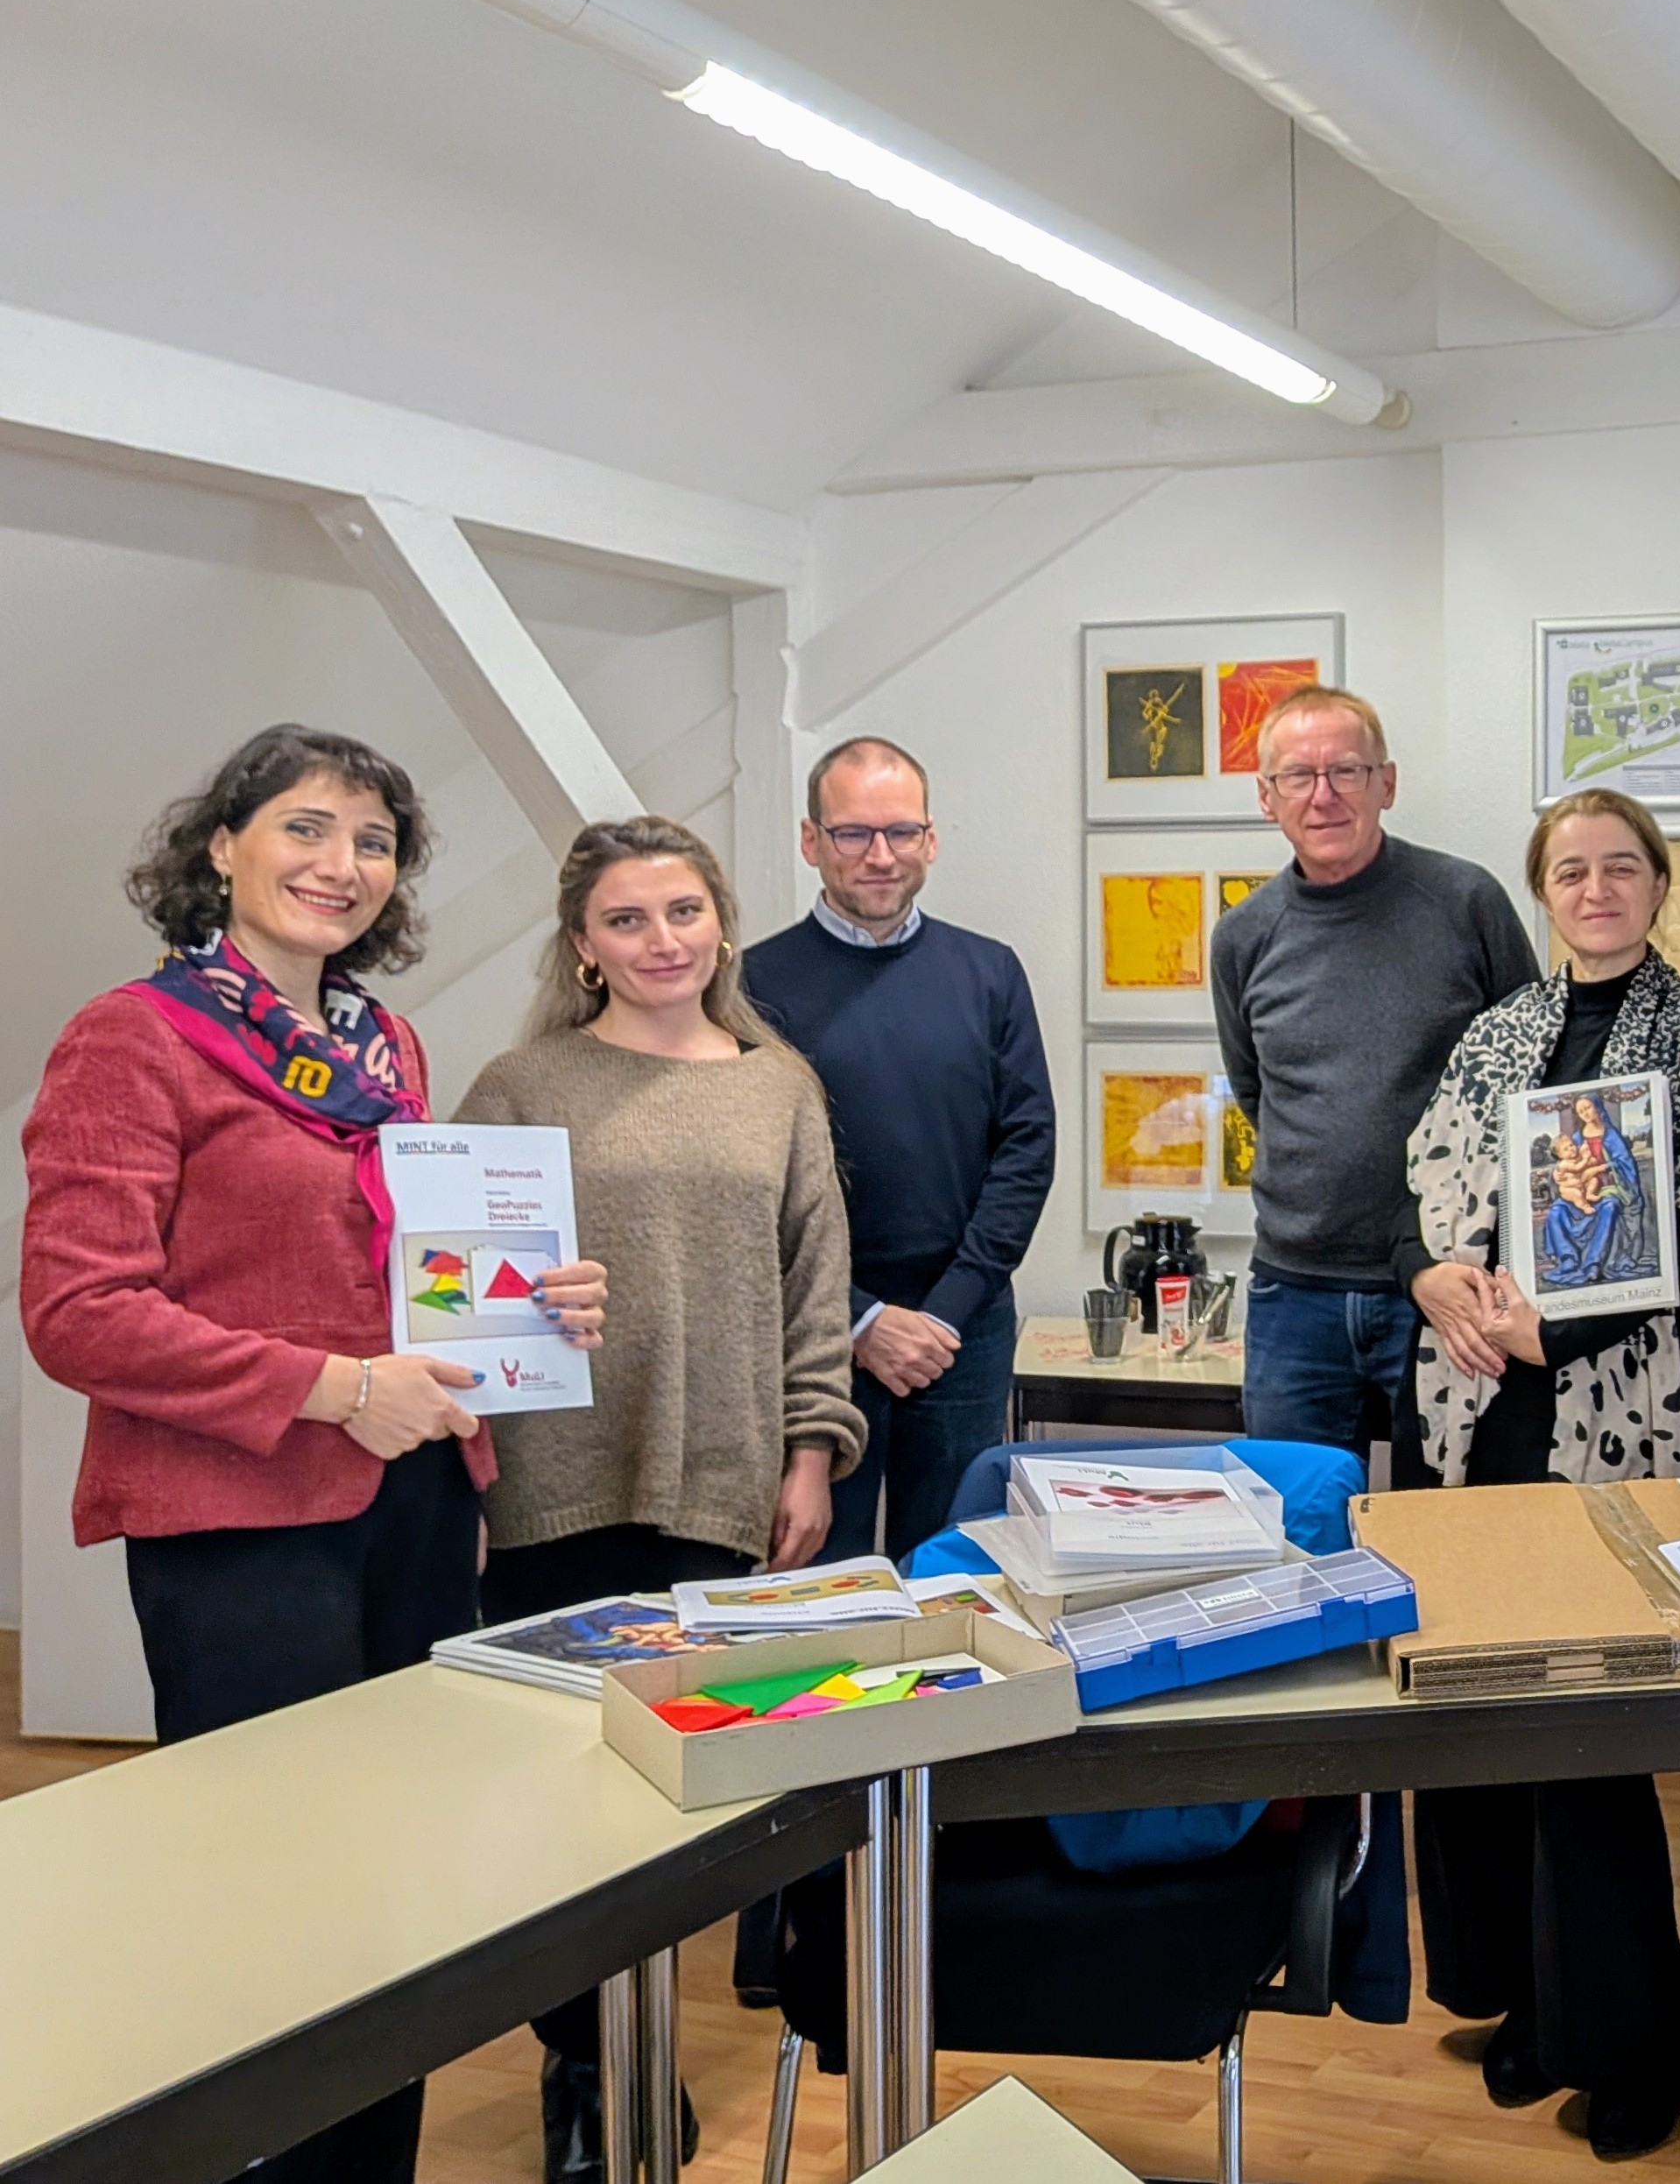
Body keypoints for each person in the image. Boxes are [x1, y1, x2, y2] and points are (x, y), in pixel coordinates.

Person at [20, 725, 605, 2184]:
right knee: (266, 1905)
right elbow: (78, 1312)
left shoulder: (382, 1043)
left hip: (411, 1499)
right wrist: (335, 1385)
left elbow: (403, 1271)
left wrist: (536, 1298)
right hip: (238, 1523)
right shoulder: (130, 1036)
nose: (339, 864)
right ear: (220, 844)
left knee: (389, 1891)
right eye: (306, 826)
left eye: (373, 839)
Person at [457, 815, 863, 2184]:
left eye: (682, 911)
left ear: (722, 923)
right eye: (627, 920)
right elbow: (445, 1273)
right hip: (548, 1484)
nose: (661, 941)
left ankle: (645, 2036)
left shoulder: (778, 1087)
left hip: (723, 1480)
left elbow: (817, 1288)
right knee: (554, 1799)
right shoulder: (522, 1084)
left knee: (683, 1794)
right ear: (582, 946)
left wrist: (810, 1451)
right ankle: (582, 2063)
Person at [1400, 788, 1680, 2160]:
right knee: (1485, 1722)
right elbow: (1419, 1178)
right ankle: (1532, 2004)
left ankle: (1631, 2044)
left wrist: (1554, 1324)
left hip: (1609, 1407)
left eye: (1621, 867)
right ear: (1542, 890)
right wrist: (1427, 1274)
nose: (1595, 887)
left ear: (1657, 885)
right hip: (1477, 1410)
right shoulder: (1497, 1031)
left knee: (1590, 1736)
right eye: (1570, 868)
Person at [743, 735, 1055, 1560]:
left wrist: (942, 1315)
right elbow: (747, 1186)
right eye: (852, 833)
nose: (880, 856)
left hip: (964, 1329)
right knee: (814, 1579)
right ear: (811, 842)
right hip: (815, 1331)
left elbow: (1027, 1148)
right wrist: (862, 1319)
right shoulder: (748, 987)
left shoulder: (989, 972)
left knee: (956, 1574)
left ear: (931, 839)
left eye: (901, 832)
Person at [1212, 683, 1537, 1464]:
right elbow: (1256, 1090)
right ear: (1267, 797)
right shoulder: (1243, 936)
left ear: (1385, 783)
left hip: (1447, 1284)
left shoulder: (1465, 902)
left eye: (1346, 772)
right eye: (1298, 776)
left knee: (1452, 1527)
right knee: (1297, 1529)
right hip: (1295, 1292)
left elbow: (1531, 1078)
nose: (1322, 796)